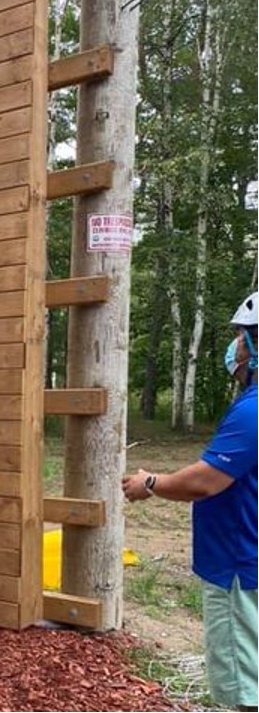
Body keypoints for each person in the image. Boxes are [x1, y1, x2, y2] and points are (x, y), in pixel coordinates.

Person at [123, 292, 258, 712]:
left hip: (238, 561)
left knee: (241, 684)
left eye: (241, 336)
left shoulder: (252, 411)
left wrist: (150, 481)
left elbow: (205, 481)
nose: (234, 346)